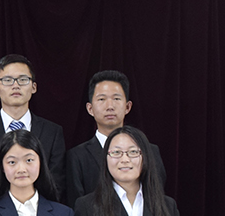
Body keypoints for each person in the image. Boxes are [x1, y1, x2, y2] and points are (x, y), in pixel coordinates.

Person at [0, 54, 66, 210]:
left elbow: (56, 182)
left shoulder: (52, 132)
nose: (16, 85)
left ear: (34, 87)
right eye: (7, 80)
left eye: (23, 80)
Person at [64, 70, 166, 208]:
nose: (110, 106)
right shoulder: (77, 157)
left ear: (127, 107)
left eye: (116, 99)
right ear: (90, 109)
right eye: (102, 99)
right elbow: (76, 206)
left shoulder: (149, 151)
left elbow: (157, 198)